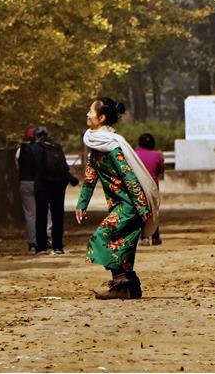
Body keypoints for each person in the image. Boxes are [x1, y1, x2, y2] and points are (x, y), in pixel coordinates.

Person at [76, 98, 160, 300]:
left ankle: (121, 286)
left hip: (130, 206)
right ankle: (131, 286)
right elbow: (89, 178)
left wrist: (141, 208)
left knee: (102, 237)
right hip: (119, 205)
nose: (87, 114)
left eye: (91, 111)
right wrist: (81, 205)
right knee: (123, 245)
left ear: (102, 118)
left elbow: (129, 177)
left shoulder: (113, 147)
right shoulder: (97, 146)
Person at [34, 126, 76, 255]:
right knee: (57, 216)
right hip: (58, 184)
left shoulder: (36, 148)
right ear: (47, 134)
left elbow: (33, 167)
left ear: (37, 136)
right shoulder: (56, 146)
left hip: (42, 185)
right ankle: (57, 246)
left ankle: (41, 246)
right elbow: (63, 166)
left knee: (41, 215)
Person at [17, 126, 50, 252]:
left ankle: (32, 242)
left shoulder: (21, 150)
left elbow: (17, 166)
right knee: (45, 211)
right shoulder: (41, 149)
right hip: (39, 183)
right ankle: (46, 236)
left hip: (25, 182)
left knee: (30, 214)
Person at [135, 133, 164, 246]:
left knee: (141, 212)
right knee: (154, 212)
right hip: (152, 188)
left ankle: (144, 237)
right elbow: (161, 169)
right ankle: (156, 237)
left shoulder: (134, 154)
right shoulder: (157, 155)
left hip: (137, 187)